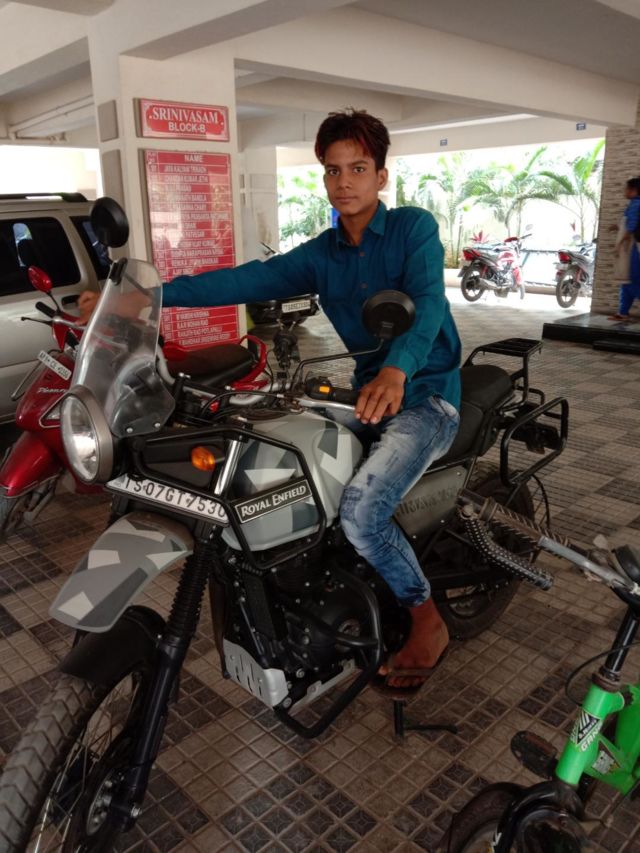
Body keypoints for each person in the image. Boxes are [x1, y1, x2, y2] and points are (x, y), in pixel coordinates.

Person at [80, 109, 461, 694]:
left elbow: (429, 301)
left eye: (358, 168)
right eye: (333, 170)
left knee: (362, 511)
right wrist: (149, 297)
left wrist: (397, 370)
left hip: (426, 396)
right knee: (289, 468)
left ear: (381, 176)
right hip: (366, 392)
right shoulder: (323, 254)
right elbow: (243, 280)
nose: (344, 182)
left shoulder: (414, 229)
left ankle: (427, 620)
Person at [608, 176, 640, 321]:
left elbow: (631, 227)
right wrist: (617, 227)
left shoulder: (636, 204)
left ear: (634, 190)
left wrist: (620, 243)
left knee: (632, 280)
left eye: (626, 189)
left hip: (631, 248)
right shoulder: (633, 204)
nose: (624, 191)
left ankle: (623, 312)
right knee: (626, 280)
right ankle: (623, 312)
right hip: (629, 247)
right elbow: (628, 223)